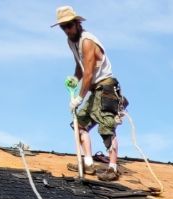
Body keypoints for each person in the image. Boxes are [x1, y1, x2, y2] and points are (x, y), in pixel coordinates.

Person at [53, 5, 124, 181]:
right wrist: (75, 79)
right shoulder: (72, 42)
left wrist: (78, 97)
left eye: (69, 25)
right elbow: (81, 66)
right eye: (63, 27)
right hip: (93, 89)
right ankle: (88, 163)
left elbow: (89, 73)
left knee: (106, 126)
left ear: (77, 23)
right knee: (80, 125)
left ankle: (113, 168)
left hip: (105, 86)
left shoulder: (87, 41)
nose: (67, 30)